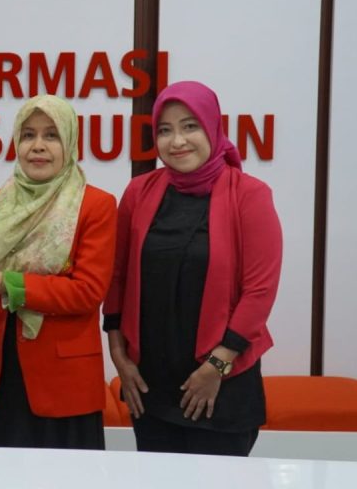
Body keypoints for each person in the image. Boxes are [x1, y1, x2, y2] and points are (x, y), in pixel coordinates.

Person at [0, 94, 116, 449]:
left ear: (70, 141)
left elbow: (87, 292)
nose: (38, 146)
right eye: (28, 135)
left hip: (62, 382)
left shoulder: (95, 205)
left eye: (51, 135)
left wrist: (6, 283)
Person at [103, 80, 282, 456]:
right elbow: (117, 278)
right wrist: (119, 356)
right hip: (149, 384)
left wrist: (216, 366)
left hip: (221, 384)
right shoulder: (138, 192)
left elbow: (259, 291)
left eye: (190, 126)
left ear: (213, 128)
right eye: (164, 130)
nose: (177, 141)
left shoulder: (249, 194)